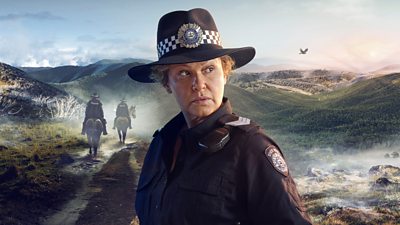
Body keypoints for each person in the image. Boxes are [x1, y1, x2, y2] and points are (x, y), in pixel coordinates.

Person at [127, 8, 312, 225]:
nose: (199, 85)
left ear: (225, 73)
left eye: (208, 70)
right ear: (167, 83)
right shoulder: (161, 143)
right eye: (184, 73)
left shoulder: (251, 149)